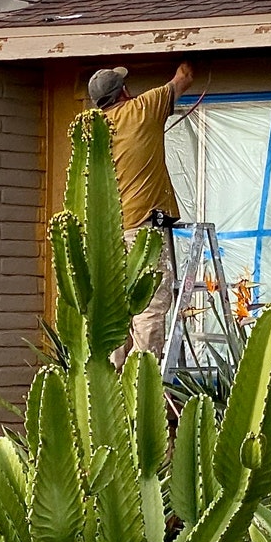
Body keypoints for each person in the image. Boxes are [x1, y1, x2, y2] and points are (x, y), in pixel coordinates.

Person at [88, 60, 196, 359]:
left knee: (116, 306)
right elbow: (183, 78)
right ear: (124, 91)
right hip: (142, 227)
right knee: (150, 302)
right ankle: (144, 380)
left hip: (107, 234)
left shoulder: (92, 128)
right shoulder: (143, 108)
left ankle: (115, 378)